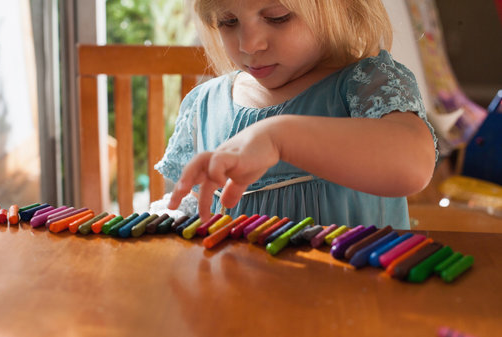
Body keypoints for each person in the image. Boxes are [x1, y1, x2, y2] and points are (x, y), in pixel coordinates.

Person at [154, 0, 438, 229]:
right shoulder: (204, 104)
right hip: (239, 297)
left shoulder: (365, 84)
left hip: (350, 296)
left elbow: (414, 165)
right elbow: (196, 203)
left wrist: (279, 138)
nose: (249, 45)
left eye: (278, 17)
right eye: (228, 21)